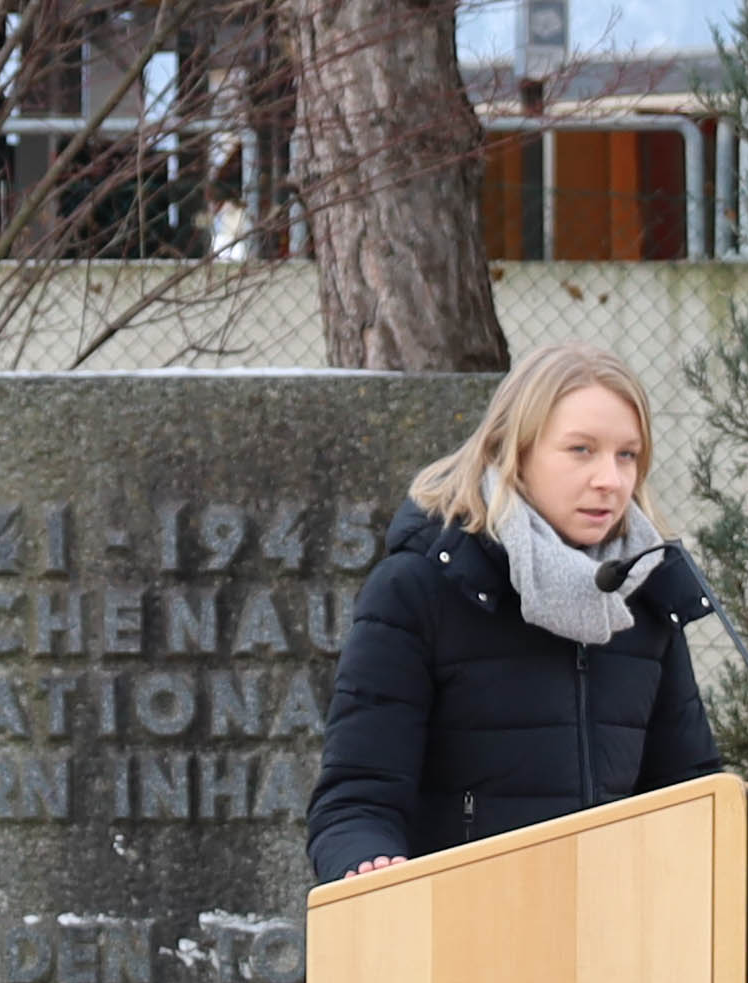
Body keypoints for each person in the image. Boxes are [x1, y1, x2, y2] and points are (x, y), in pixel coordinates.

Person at [306, 343, 723, 884]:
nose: (611, 480)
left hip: (620, 939)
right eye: (581, 450)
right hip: (462, 931)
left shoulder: (642, 593)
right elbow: (355, 801)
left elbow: (688, 791)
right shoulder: (419, 591)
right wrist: (368, 865)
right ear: (513, 451)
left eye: (627, 455)